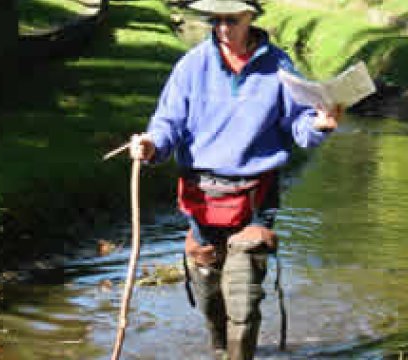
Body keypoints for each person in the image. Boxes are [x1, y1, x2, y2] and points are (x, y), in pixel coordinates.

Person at [129, 0, 342, 358]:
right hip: (201, 194)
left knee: (243, 300)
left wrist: (319, 124)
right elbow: (168, 124)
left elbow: (300, 125)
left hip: (256, 195)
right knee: (210, 293)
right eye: (217, 19)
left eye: (232, 19)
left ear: (250, 18)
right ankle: (219, 348)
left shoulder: (279, 66)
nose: (223, 27)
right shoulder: (191, 66)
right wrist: (151, 145)